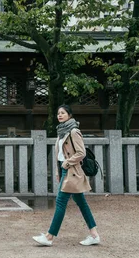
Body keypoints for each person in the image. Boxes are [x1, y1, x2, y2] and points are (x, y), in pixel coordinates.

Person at [32, 104, 100, 246]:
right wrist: (58, 170)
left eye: (63, 113)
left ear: (69, 115)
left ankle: (49, 236)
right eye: (58, 113)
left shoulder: (74, 131)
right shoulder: (62, 131)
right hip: (65, 170)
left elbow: (81, 153)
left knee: (61, 202)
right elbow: (60, 154)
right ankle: (94, 235)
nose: (60, 115)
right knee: (81, 202)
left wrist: (67, 163)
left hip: (72, 171)